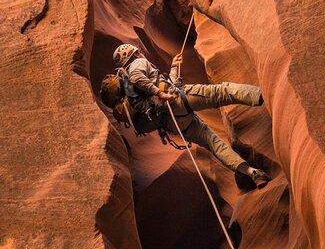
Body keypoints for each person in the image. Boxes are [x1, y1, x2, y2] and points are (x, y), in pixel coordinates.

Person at [109, 43, 272, 189]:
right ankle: (266, 94)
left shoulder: (131, 91)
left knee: (214, 144)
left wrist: (173, 67)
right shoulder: (137, 64)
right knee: (221, 92)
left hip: (173, 123)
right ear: (134, 53)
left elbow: (166, 83)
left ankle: (253, 173)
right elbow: (140, 79)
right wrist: (159, 93)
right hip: (176, 101)